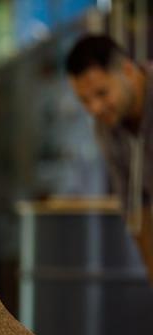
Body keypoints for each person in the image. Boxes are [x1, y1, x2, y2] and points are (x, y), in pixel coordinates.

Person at [66, 34, 153, 279]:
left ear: (127, 70)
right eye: (84, 100)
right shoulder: (106, 124)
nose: (95, 108)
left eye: (102, 93)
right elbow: (136, 208)